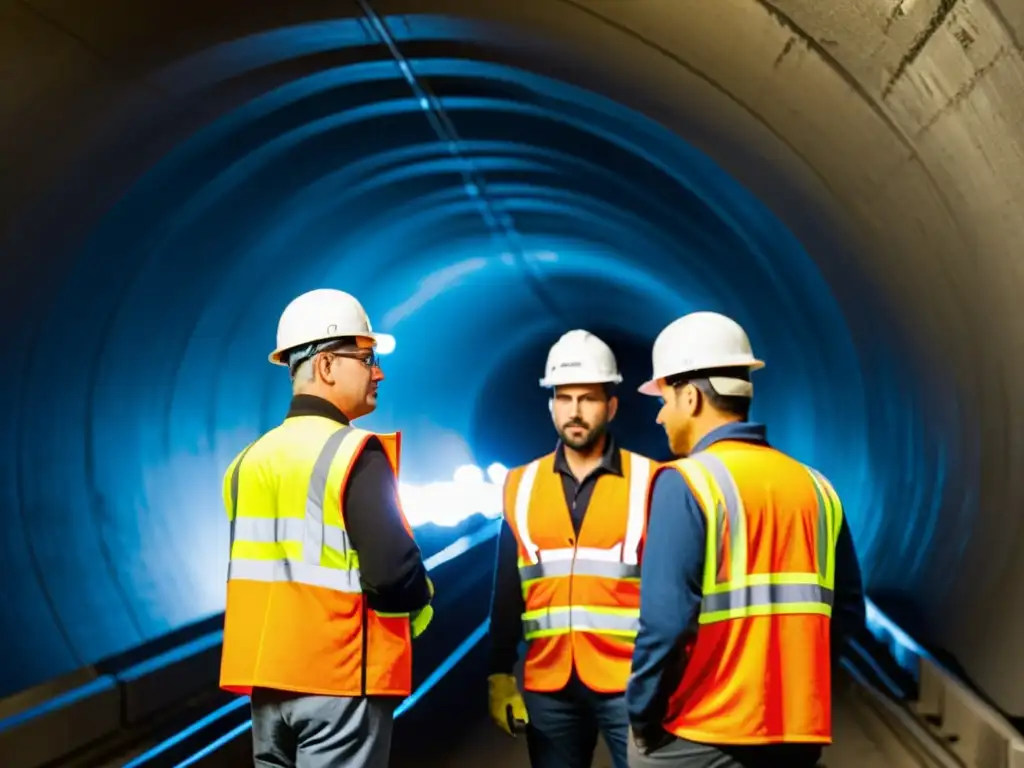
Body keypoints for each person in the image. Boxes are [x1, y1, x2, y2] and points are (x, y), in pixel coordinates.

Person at [626, 311, 866, 768]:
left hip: (704, 730)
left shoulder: (687, 483)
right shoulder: (817, 486)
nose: (659, 416)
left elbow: (666, 625)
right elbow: (848, 611)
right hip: (795, 735)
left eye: (665, 399)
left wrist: (642, 716)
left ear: (692, 398)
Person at [218, 288, 435, 768]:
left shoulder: (246, 463)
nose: (378, 371)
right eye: (366, 357)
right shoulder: (353, 453)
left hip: (268, 687)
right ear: (326, 366)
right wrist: (422, 597)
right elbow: (393, 577)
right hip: (340, 682)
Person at [487, 329, 658, 768]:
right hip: (549, 683)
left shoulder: (652, 481)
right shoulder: (519, 484)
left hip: (632, 680)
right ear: (551, 405)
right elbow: (508, 586)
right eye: (564, 398)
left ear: (612, 406)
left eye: (589, 398)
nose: (575, 411)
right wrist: (499, 672)